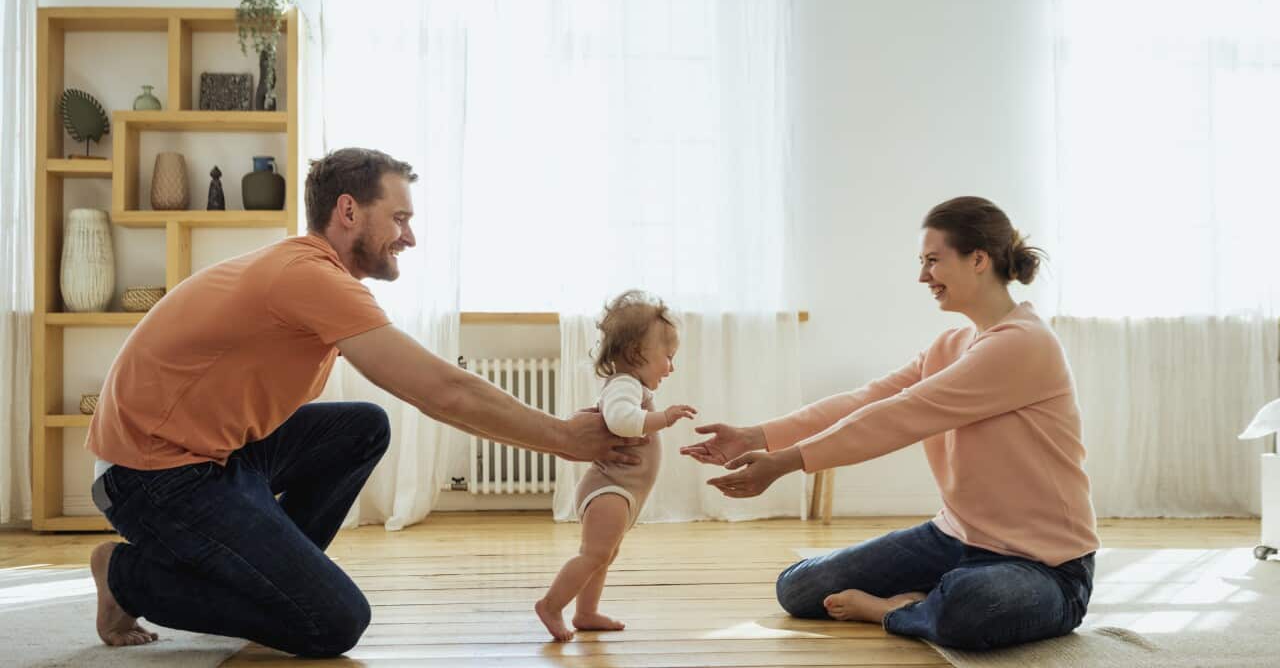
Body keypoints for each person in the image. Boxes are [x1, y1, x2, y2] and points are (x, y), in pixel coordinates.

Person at [84, 147, 646, 657]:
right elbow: (442, 390)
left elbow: (429, 386)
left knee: (363, 427)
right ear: (348, 211)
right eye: (399, 219)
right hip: (152, 475)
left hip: (216, 455)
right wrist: (565, 439)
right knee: (333, 623)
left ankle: (271, 584)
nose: (410, 237)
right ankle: (125, 577)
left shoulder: (311, 275)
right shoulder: (309, 277)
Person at [681, 196, 1099, 650]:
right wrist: (757, 435)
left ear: (978, 259)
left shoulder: (1023, 344)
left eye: (933, 261)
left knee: (971, 605)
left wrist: (783, 463)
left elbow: (900, 416)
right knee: (798, 588)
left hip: (1046, 566)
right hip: (954, 537)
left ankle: (895, 609)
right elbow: (867, 399)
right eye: (922, 262)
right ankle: (928, 602)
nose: (923, 276)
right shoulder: (952, 344)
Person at [535, 291, 697, 641]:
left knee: (604, 555)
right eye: (668, 357)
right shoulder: (624, 386)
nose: (672, 367)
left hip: (620, 491)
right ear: (636, 353)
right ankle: (551, 605)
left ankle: (587, 612)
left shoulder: (632, 386)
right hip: (609, 489)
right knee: (594, 554)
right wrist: (663, 418)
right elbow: (621, 420)